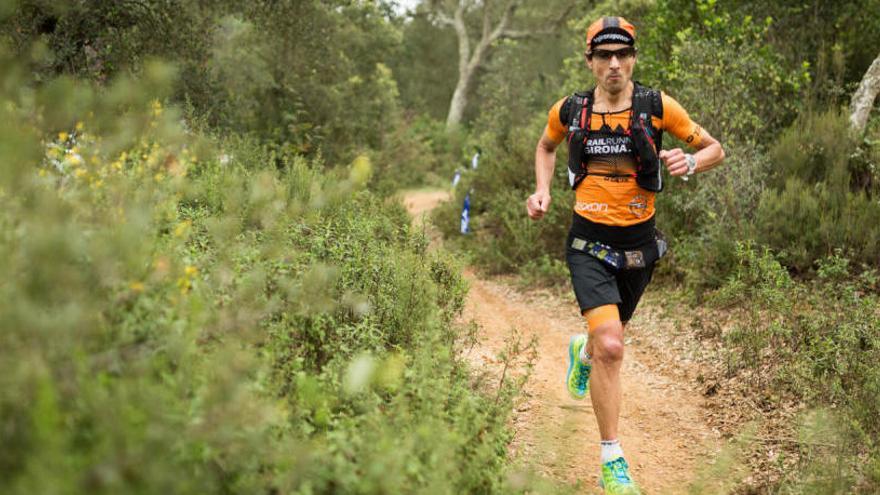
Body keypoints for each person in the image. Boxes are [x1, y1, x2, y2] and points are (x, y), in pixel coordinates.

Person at [526, 16, 724, 494]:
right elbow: (545, 146)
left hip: (639, 246)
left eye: (622, 54)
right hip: (587, 243)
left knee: (604, 342)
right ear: (590, 61)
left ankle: (584, 350)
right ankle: (611, 458)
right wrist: (542, 191)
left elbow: (716, 148)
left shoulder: (658, 107)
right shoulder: (570, 110)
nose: (613, 64)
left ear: (632, 58)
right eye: (603, 55)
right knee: (612, 346)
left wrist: (691, 160)